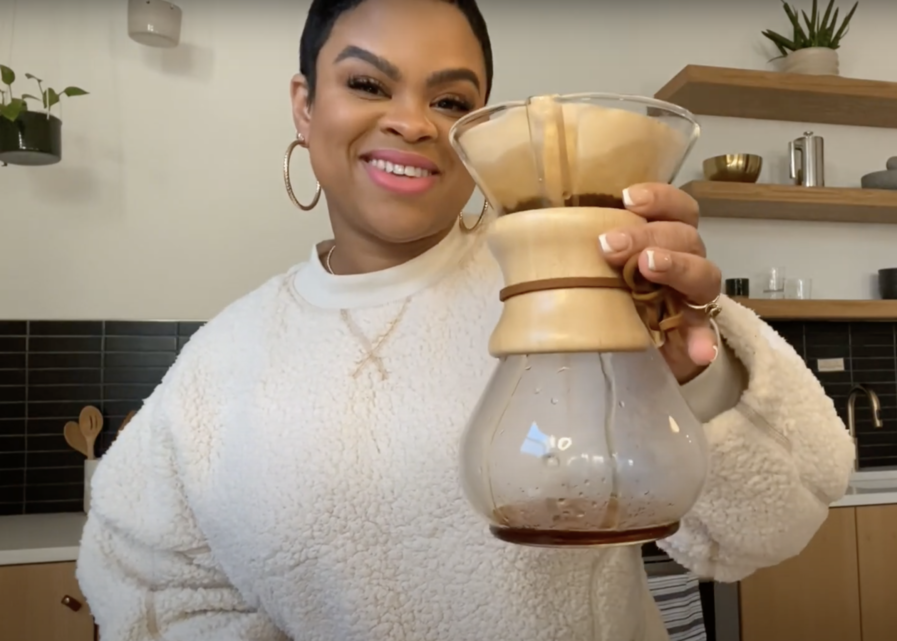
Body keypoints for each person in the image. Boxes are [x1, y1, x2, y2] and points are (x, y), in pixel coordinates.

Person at [76, 0, 855, 639]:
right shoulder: (226, 358)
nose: (414, 122)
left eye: (449, 100)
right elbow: (148, 590)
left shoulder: (591, 292)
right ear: (305, 106)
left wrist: (696, 363)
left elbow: (769, 525)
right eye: (367, 84)